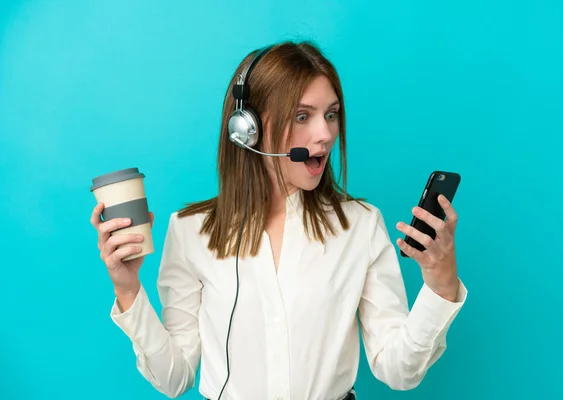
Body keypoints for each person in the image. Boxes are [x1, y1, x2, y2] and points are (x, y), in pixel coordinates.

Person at [90, 41, 467, 400]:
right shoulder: (191, 231)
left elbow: (398, 370)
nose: (324, 134)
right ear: (247, 128)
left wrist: (441, 283)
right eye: (303, 116)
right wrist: (127, 290)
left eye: (331, 115)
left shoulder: (361, 225)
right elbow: (174, 378)